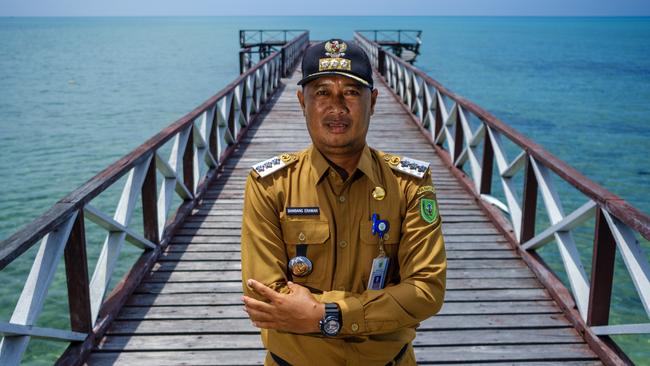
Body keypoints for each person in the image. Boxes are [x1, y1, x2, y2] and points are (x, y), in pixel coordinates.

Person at [240, 38, 446, 366]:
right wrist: (381, 309)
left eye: (351, 92)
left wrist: (325, 315)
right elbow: (264, 296)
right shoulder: (270, 185)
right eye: (321, 92)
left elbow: (426, 290)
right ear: (301, 101)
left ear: (374, 102)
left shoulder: (409, 184)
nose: (337, 106)